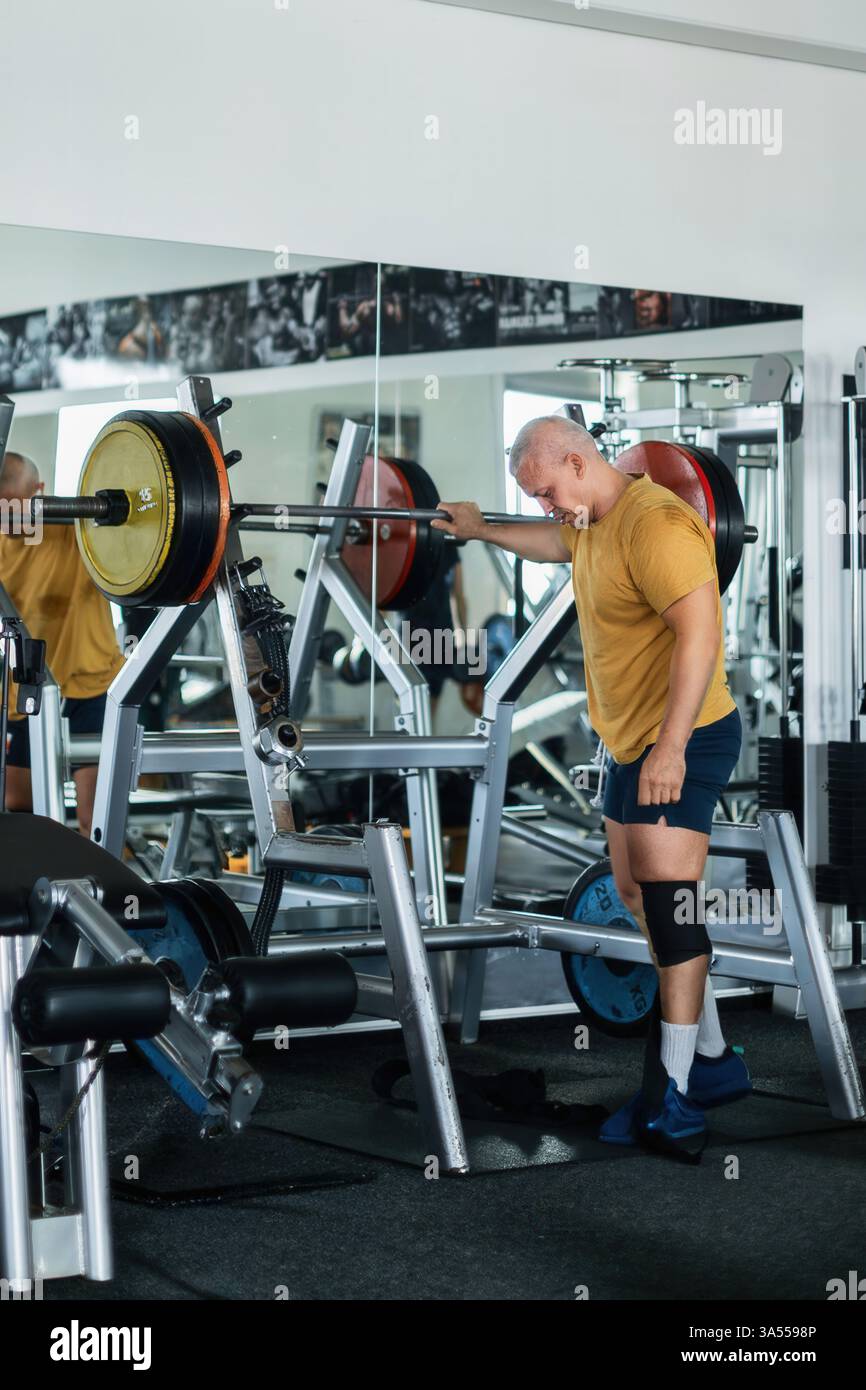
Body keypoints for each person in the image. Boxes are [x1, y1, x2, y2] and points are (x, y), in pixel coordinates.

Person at [432, 415, 750, 1150]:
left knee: (671, 908)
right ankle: (711, 1059)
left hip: (687, 734)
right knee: (635, 892)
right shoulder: (589, 517)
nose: (545, 506)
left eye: (545, 491)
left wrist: (671, 748)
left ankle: (672, 1096)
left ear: (577, 462)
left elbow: (702, 634)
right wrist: (482, 529)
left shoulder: (656, 526)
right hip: (630, 741)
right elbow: (554, 542)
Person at [0, 451, 124, 836]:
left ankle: (103, 894)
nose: (8, 520)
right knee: (19, 810)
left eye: (14, 508)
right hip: (28, 692)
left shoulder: (77, 529)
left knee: (95, 820)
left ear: (39, 492)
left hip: (93, 687)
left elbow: (129, 534)